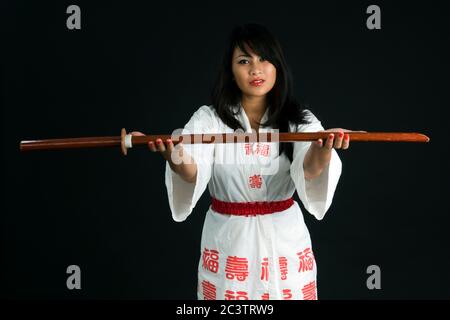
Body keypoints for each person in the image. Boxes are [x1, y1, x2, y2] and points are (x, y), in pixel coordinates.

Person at [132, 23, 359, 300]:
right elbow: (191, 168)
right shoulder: (209, 119)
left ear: (278, 66)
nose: (255, 69)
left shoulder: (300, 119)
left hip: (283, 238)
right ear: (231, 71)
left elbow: (310, 170)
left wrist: (324, 147)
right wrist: (172, 154)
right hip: (230, 239)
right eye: (244, 61)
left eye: (264, 59)